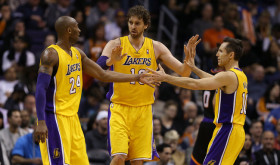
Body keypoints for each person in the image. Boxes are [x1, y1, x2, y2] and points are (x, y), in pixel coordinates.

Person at [34, 16, 153, 165]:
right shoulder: (51, 54)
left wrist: (137, 77)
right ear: (69, 30)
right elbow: (40, 89)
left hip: (73, 118)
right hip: (55, 118)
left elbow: (102, 74)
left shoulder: (78, 53)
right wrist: (41, 121)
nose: (80, 30)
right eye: (77, 27)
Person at [97, 5, 199, 164]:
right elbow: (99, 69)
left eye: (137, 23)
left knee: (138, 161)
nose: (133, 26)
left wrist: (189, 60)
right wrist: (111, 61)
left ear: (146, 25)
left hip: (143, 110)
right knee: (119, 157)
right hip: (119, 108)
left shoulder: (156, 47)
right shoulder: (116, 44)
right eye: (130, 22)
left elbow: (184, 72)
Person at [149, 37, 248, 164]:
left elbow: (195, 84)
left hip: (228, 130)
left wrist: (166, 77)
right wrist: (193, 68)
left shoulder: (228, 75)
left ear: (231, 55)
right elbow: (213, 79)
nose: (217, 54)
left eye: (221, 51)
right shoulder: (240, 75)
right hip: (233, 130)